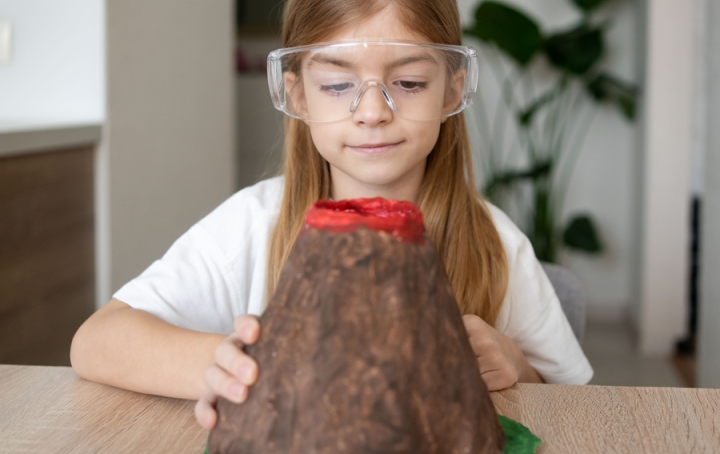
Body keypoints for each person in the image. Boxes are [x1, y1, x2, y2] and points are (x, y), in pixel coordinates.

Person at [70, 0, 593, 431]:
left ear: (452, 91)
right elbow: (95, 342)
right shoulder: (254, 225)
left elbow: (574, 408)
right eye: (337, 85)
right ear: (296, 92)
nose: (371, 111)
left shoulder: (496, 243)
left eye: (409, 82)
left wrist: (516, 369)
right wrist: (237, 365)